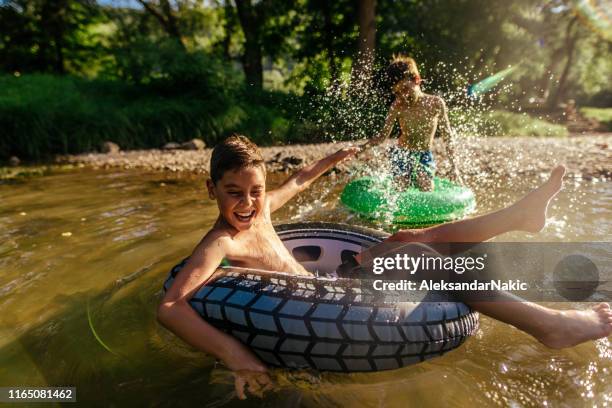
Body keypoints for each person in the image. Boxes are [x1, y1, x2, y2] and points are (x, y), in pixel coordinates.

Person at [157, 134, 359, 399]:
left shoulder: (262, 212)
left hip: (318, 293)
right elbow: (170, 308)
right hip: (291, 322)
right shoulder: (222, 243)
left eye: (256, 191)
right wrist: (235, 355)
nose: (247, 203)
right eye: (234, 193)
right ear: (211, 189)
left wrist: (334, 158)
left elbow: (298, 180)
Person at [354, 165, 612, 349]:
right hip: (324, 285)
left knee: (408, 239)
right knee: (413, 255)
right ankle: (550, 325)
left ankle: (519, 216)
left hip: (337, 270)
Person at [364, 55, 462, 191]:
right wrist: (361, 148)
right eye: (397, 93)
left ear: (416, 80)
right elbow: (382, 136)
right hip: (402, 154)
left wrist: (454, 167)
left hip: (424, 154)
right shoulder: (397, 106)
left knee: (426, 187)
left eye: (404, 89)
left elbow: (447, 136)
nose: (402, 96)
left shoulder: (435, 103)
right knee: (400, 187)